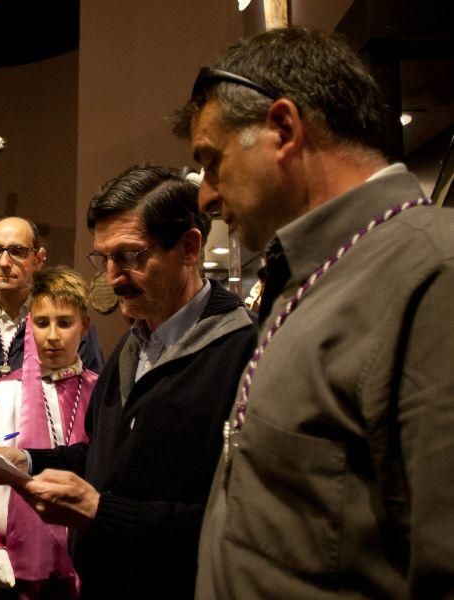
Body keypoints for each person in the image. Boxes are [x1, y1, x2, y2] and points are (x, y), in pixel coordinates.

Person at [172, 27, 454, 598]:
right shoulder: (309, 275)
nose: (205, 195)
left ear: (282, 130)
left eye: (211, 161)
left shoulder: (435, 275)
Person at [0, 166, 258, 598]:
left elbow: (243, 522)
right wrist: (27, 462)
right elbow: (105, 456)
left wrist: (100, 512)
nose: (112, 277)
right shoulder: (133, 343)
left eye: (131, 256)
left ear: (190, 247)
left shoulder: (243, 354)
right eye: (103, 258)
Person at [0, 216, 104, 599]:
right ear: (32, 327)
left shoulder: (98, 390)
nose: (53, 335)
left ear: (37, 258)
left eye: (17, 251)